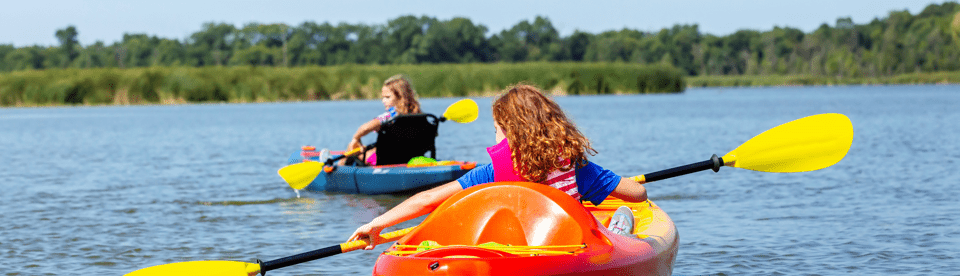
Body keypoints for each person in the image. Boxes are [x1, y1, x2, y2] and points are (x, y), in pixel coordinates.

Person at [347, 83, 647, 250]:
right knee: (622, 212)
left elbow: (427, 200)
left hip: (515, 250)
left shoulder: (493, 172)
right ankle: (619, 227)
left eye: (496, 129)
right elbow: (637, 194)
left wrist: (377, 224)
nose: (494, 136)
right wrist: (607, 182)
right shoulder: (574, 165)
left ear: (510, 132)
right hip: (568, 246)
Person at [345, 74, 422, 166]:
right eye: (383, 97)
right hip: (409, 158)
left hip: (387, 160)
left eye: (387, 97)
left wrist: (356, 138)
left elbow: (365, 128)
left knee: (351, 148)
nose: (383, 101)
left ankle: (338, 171)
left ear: (400, 97)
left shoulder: (391, 115)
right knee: (373, 149)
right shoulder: (419, 116)